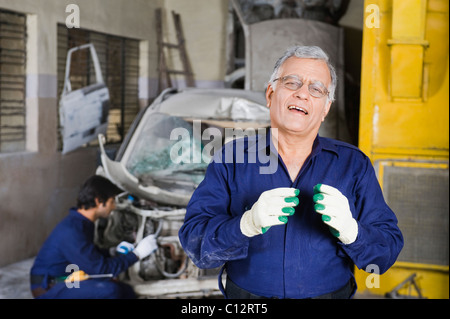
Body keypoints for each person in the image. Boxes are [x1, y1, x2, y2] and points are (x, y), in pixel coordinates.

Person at [178, 46, 404, 299]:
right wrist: (245, 224)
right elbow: (195, 245)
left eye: (316, 89)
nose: (302, 94)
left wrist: (353, 231)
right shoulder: (231, 159)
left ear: (325, 109)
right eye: (292, 82)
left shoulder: (353, 164)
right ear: (270, 94)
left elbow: (384, 255)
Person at [30, 175, 157, 299]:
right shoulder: (72, 231)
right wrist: (137, 254)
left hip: (67, 278)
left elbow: (88, 255)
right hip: (48, 287)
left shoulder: (83, 223)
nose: (114, 207)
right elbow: (101, 270)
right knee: (110, 290)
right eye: (111, 202)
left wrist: (112, 252)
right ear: (98, 201)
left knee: (127, 291)